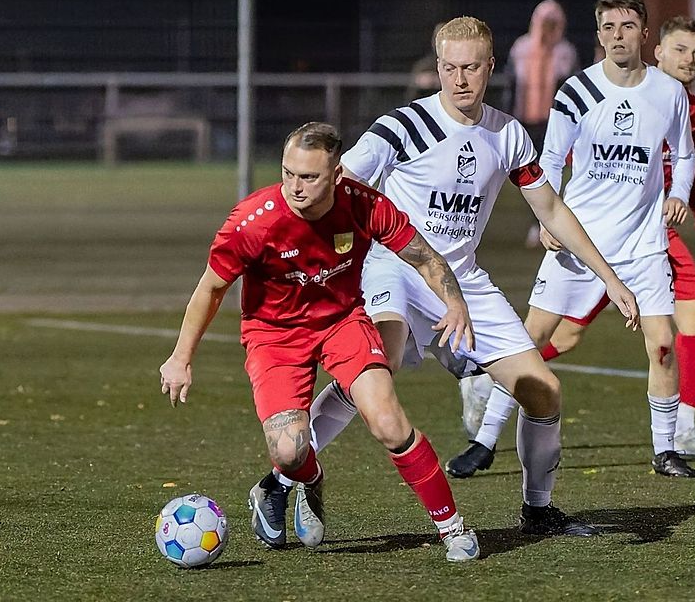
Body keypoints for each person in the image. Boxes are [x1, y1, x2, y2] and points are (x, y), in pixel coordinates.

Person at [272, 16, 641, 539]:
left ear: (491, 67)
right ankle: (281, 476)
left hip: (462, 280)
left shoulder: (508, 133)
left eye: (471, 67)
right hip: (395, 267)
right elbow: (337, 190)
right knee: (382, 360)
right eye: (449, 67)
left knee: (543, 392)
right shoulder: (400, 127)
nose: (459, 79)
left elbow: (552, 210)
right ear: (437, 65)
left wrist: (611, 278)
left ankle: (537, 511)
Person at [158, 122, 481, 562]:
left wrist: (455, 303)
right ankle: (307, 479)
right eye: (288, 173)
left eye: (309, 177)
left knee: (388, 420)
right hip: (274, 336)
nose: (294, 186)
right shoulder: (253, 222)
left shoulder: (363, 205)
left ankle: (453, 529)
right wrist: (181, 357)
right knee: (289, 450)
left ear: (336, 174)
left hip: (342, 322)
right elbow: (211, 288)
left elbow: (424, 256)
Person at [448, 16, 695, 478]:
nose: (691, 62)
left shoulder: (680, 102)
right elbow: (559, 158)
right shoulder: (586, 92)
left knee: (674, 334)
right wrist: (550, 218)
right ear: (655, 47)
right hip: (586, 238)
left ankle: (674, 438)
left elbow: (685, 164)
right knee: (547, 336)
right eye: (682, 50)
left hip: (647, 240)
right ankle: (485, 429)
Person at [503, 0, 579, 248]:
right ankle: (537, 222)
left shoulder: (565, 52)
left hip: (553, 122)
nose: (548, 29)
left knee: (551, 173)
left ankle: (548, 225)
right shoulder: (522, 48)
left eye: (553, 24)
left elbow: (570, 89)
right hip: (525, 120)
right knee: (529, 175)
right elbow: (511, 85)